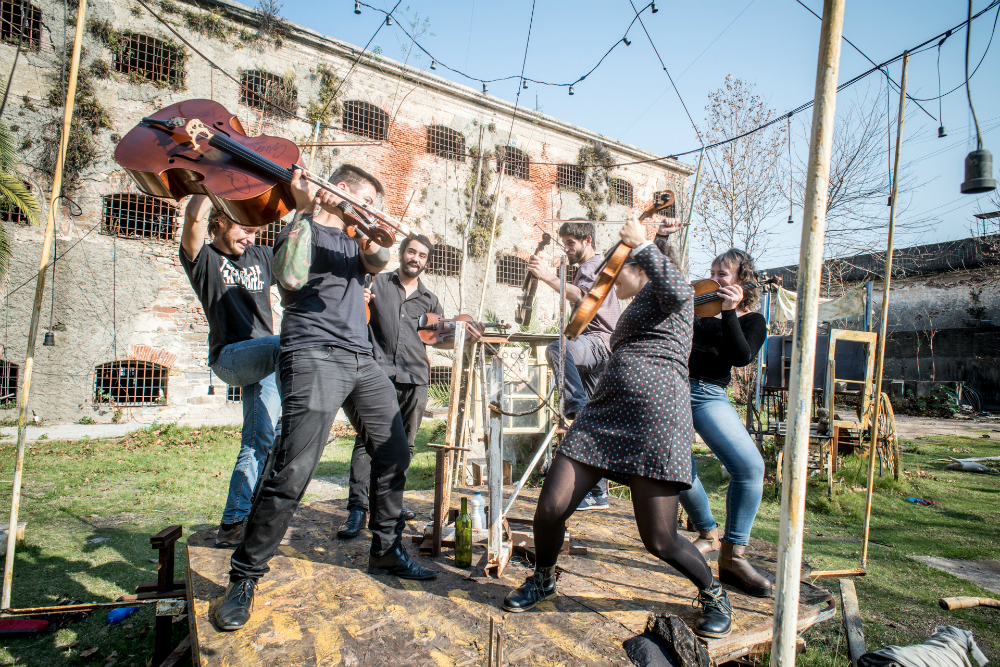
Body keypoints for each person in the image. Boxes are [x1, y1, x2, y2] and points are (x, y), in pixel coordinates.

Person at [215, 165, 437, 632]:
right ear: (340, 190)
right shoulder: (301, 228)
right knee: (293, 469)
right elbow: (290, 278)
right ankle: (244, 576)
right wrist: (304, 209)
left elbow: (378, 260)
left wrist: (365, 226)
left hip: (361, 359)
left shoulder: (356, 241)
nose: (372, 211)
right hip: (313, 351)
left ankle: (386, 548)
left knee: (394, 451)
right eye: (367, 201)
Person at [501, 216, 733, 639]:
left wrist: (643, 244)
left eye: (614, 272)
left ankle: (714, 593)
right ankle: (544, 578)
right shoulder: (637, 305)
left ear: (640, 267)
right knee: (550, 508)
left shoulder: (674, 296)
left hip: (654, 424)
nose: (606, 283)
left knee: (659, 539)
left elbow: (678, 288)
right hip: (603, 417)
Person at [179, 195, 280, 549]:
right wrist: (209, 180)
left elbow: (300, 267)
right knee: (289, 343)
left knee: (260, 441)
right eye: (244, 230)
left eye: (255, 232)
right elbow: (193, 218)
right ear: (221, 222)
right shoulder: (204, 259)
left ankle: (234, 522)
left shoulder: (261, 256)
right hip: (230, 357)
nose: (250, 238)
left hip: (267, 361)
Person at [337, 234, 444, 539]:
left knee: (405, 444)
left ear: (426, 261)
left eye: (422, 255)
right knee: (367, 441)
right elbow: (355, 314)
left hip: (415, 378)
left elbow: (437, 339)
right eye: (411, 252)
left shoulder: (430, 299)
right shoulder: (376, 283)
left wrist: (462, 330)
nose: (415, 259)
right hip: (377, 374)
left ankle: (390, 502)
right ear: (401, 253)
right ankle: (358, 508)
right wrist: (359, 300)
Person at [678, 248, 771, 597]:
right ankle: (707, 532)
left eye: (723, 274)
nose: (714, 279)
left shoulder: (752, 320)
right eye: (712, 272)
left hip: (708, 394)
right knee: (674, 465)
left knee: (750, 467)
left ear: (742, 280)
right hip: (674, 387)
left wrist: (729, 311)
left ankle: (733, 556)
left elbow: (741, 357)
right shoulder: (698, 307)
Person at [526, 219, 621, 510]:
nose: (566, 248)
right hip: (598, 347)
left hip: (599, 342)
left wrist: (546, 276)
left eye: (571, 243)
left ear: (587, 240)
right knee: (590, 425)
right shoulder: (590, 266)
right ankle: (598, 493)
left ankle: (575, 405)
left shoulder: (592, 265)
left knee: (558, 349)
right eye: (564, 243)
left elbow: (581, 296)